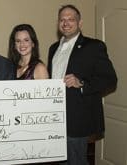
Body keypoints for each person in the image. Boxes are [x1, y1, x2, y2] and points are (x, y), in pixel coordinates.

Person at [47, 4, 117, 165]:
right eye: (62, 19)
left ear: (80, 23)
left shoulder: (94, 46)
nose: (66, 23)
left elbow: (110, 79)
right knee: (60, 160)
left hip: (79, 118)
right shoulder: (53, 48)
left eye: (71, 19)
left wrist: (81, 83)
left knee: (76, 160)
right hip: (56, 116)